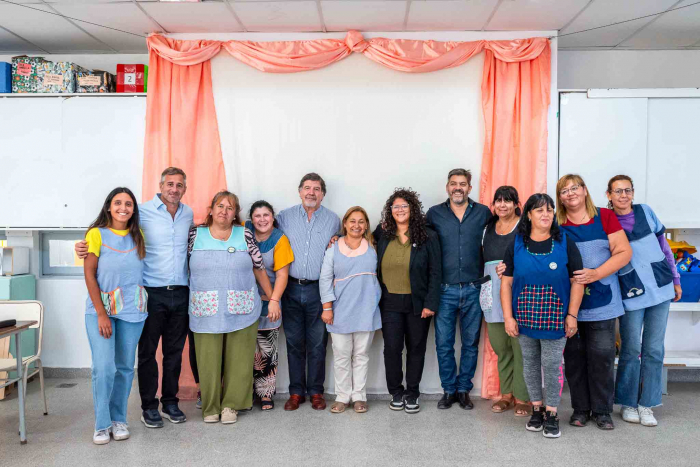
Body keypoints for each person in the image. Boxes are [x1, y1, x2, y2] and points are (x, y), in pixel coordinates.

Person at [77, 167, 193, 428]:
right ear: (160, 185)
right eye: (169, 184)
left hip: (175, 294)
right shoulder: (141, 214)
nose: (174, 189)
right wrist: (81, 246)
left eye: (179, 185)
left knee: (173, 352)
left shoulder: (187, 214)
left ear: (184, 188)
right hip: (150, 293)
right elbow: (102, 248)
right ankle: (147, 407)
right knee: (144, 355)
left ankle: (170, 402)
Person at [501, 193, 585, 439]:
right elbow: (506, 284)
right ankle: (536, 409)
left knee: (552, 365)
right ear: (528, 214)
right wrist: (508, 317)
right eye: (539, 210)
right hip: (524, 317)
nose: (545, 214)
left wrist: (572, 315)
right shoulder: (516, 243)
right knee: (529, 364)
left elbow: (577, 282)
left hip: (556, 317)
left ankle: (552, 413)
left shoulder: (565, 242)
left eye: (549, 209)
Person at [188, 191, 275, 424]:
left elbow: (258, 267)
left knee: (239, 359)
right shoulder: (195, 234)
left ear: (235, 213)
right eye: (220, 206)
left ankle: (231, 406)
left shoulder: (244, 233)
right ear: (211, 209)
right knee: (207, 360)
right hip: (205, 308)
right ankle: (210, 407)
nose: (224, 211)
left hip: (242, 306)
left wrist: (273, 298)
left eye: (230, 207)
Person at [556, 174, 632, 430]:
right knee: (574, 358)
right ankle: (580, 409)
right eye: (564, 190)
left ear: (585, 190)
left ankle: (602, 411)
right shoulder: (557, 223)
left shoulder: (605, 217)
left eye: (574, 187)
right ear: (560, 197)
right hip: (569, 306)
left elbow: (623, 252)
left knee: (602, 358)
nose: (570, 193)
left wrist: (596, 273)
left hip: (603, 303)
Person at [607, 175, 681, 427]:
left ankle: (647, 404)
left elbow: (665, 247)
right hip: (632, 291)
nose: (623, 195)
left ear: (633, 193)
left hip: (661, 287)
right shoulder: (606, 221)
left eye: (627, 190)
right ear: (609, 195)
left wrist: (676, 279)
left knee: (654, 349)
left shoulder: (646, 212)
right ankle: (628, 402)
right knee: (630, 349)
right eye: (618, 191)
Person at [83, 187, 147, 445]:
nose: (124, 207)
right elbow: (89, 274)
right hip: (102, 311)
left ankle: (119, 419)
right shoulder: (95, 234)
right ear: (109, 206)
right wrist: (101, 313)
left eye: (129, 204)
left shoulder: (138, 235)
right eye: (118, 203)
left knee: (124, 368)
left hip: (133, 310)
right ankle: (102, 424)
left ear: (134, 209)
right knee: (103, 367)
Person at [427, 168, 492, 410]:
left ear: (469, 188)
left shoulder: (483, 213)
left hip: (475, 288)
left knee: (470, 342)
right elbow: (415, 237)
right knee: (443, 344)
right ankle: (449, 390)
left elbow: (499, 237)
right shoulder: (434, 214)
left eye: (462, 184)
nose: (457, 187)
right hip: (444, 290)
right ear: (447, 187)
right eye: (453, 183)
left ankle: (464, 389)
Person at [277, 173, 341, 411]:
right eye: (307, 188)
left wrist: (338, 238)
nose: (311, 192)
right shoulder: (283, 217)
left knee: (317, 343)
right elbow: (262, 232)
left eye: (316, 189)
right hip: (290, 287)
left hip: (319, 290)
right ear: (299, 191)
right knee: (293, 342)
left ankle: (315, 391)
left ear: (323, 193)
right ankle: (296, 392)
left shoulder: (334, 220)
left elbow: (343, 245)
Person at [374, 188, 441, 414]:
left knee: (416, 349)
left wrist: (430, 303)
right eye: (396, 206)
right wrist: (336, 237)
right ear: (389, 211)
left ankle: (412, 393)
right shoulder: (382, 234)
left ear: (412, 209)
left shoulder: (428, 236)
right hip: (389, 302)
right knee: (392, 349)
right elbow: (357, 238)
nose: (400, 210)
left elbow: (435, 272)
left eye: (404, 206)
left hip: (418, 303)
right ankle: (396, 392)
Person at [319, 206, 382, 414]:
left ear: (366, 225)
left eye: (361, 221)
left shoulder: (374, 245)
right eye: (352, 221)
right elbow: (325, 279)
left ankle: (359, 396)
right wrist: (327, 307)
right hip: (339, 309)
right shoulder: (333, 249)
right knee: (341, 355)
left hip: (367, 308)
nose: (357, 225)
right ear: (344, 223)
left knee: (362, 354)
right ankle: (342, 396)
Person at [481, 186, 531, 416]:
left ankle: (522, 397)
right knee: (501, 346)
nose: (502, 205)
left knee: (520, 346)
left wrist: (513, 267)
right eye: (498, 200)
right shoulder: (488, 227)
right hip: (491, 288)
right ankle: (506, 395)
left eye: (507, 201)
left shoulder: (525, 226)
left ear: (516, 203)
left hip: (518, 288)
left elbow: (535, 256)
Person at [245, 201, 294, 411]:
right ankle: (243, 393)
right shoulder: (243, 232)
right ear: (251, 218)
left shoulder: (280, 239)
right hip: (243, 300)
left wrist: (274, 300)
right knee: (243, 348)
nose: (262, 220)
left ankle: (266, 394)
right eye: (257, 216)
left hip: (270, 299)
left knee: (266, 349)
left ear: (273, 217)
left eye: (266, 215)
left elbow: (283, 274)